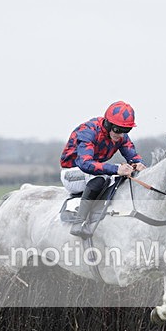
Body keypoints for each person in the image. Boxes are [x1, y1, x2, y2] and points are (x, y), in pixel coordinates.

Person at [60, 101, 146, 238]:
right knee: (101, 177)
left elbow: (133, 157)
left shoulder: (121, 136)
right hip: (72, 173)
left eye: (126, 131)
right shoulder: (88, 131)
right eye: (118, 130)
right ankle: (79, 222)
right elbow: (85, 163)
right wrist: (116, 169)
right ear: (108, 124)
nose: (121, 135)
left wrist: (138, 164)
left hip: (91, 171)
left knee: (121, 174)